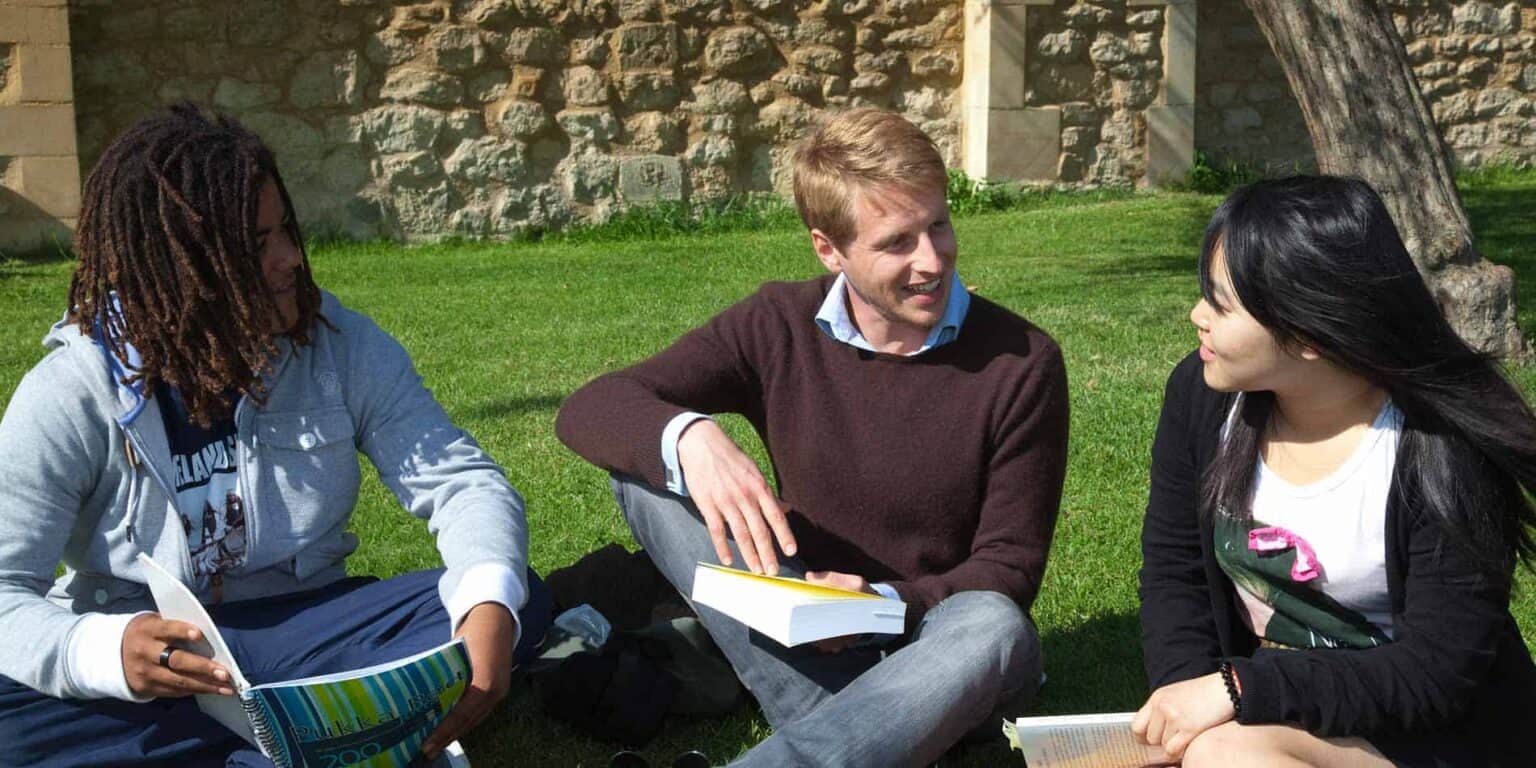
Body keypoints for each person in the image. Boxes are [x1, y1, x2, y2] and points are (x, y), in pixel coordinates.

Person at [0, 104, 552, 767]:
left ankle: (267, 740)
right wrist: (108, 655)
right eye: (256, 245)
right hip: (154, 663)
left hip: (305, 634)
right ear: (181, 265)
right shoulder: (70, 392)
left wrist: (488, 603)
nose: (290, 258)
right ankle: (309, 741)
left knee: (509, 600)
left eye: (284, 229)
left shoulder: (338, 345)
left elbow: (461, 482)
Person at [555, 108, 1070, 767]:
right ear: (828, 248)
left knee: (995, 627)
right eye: (897, 242)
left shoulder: (1021, 361)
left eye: (939, 225)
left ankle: (854, 732)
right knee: (650, 472)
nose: (932, 259)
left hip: (935, 643)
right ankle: (882, 738)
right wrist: (689, 437)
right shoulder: (779, 323)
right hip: (800, 628)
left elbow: (1010, 569)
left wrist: (883, 605)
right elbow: (591, 407)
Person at [1134, 176, 1536, 767]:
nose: (1197, 315)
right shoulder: (1203, 396)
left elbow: (1436, 675)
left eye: (1221, 303)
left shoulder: (1443, 447)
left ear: (1309, 332)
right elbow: (1176, 572)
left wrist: (1237, 692)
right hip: (1273, 713)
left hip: (1436, 733)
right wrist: (1184, 707)